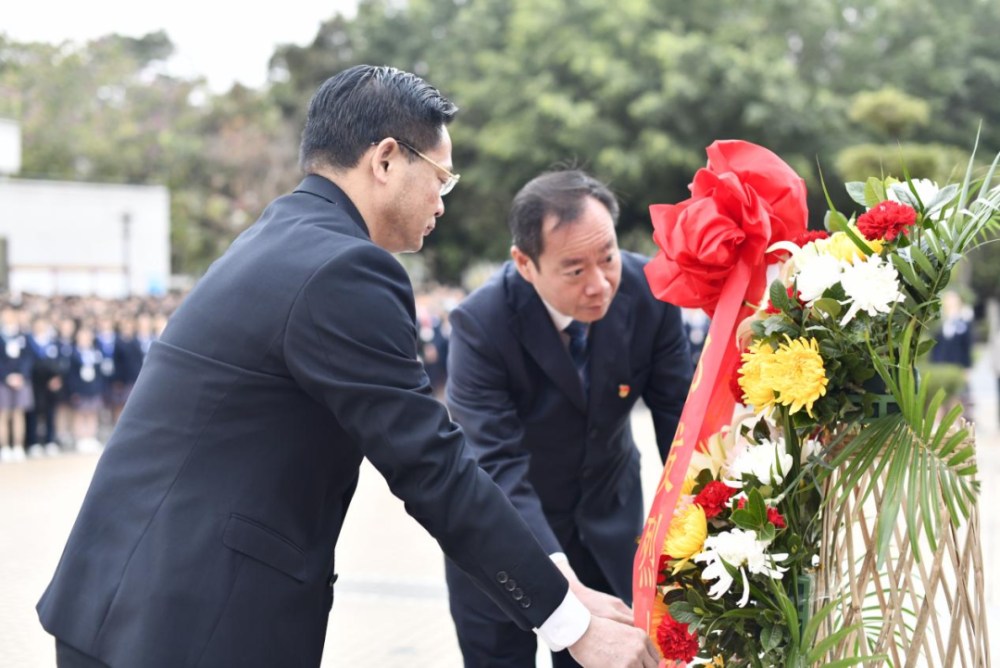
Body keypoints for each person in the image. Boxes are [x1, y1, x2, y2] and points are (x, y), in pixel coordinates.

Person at [38, 65, 660, 668]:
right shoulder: (346, 269)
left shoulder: (280, 234)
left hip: (131, 596)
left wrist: (563, 593)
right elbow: (430, 466)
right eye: (442, 178)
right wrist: (569, 626)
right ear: (386, 160)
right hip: (189, 619)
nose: (442, 203)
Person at [443, 170, 693, 667]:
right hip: (504, 543)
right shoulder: (480, 324)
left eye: (608, 257)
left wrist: (704, 528)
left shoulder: (652, 294)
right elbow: (497, 463)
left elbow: (681, 426)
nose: (600, 285)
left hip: (606, 525)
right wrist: (558, 583)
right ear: (525, 263)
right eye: (574, 271)